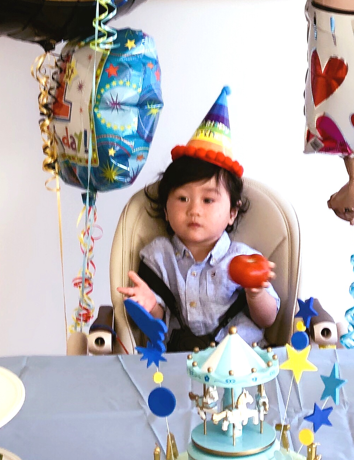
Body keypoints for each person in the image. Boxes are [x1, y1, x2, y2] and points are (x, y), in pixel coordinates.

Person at [117, 88, 280, 349]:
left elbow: (268, 319)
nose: (194, 210)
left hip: (241, 358)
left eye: (208, 200)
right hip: (179, 360)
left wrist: (256, 292)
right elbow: (160, 323)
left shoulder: (243, 258)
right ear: (165, 210)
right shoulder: (158, 257)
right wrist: (150, 305)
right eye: (182, 199)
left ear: (232, 213)